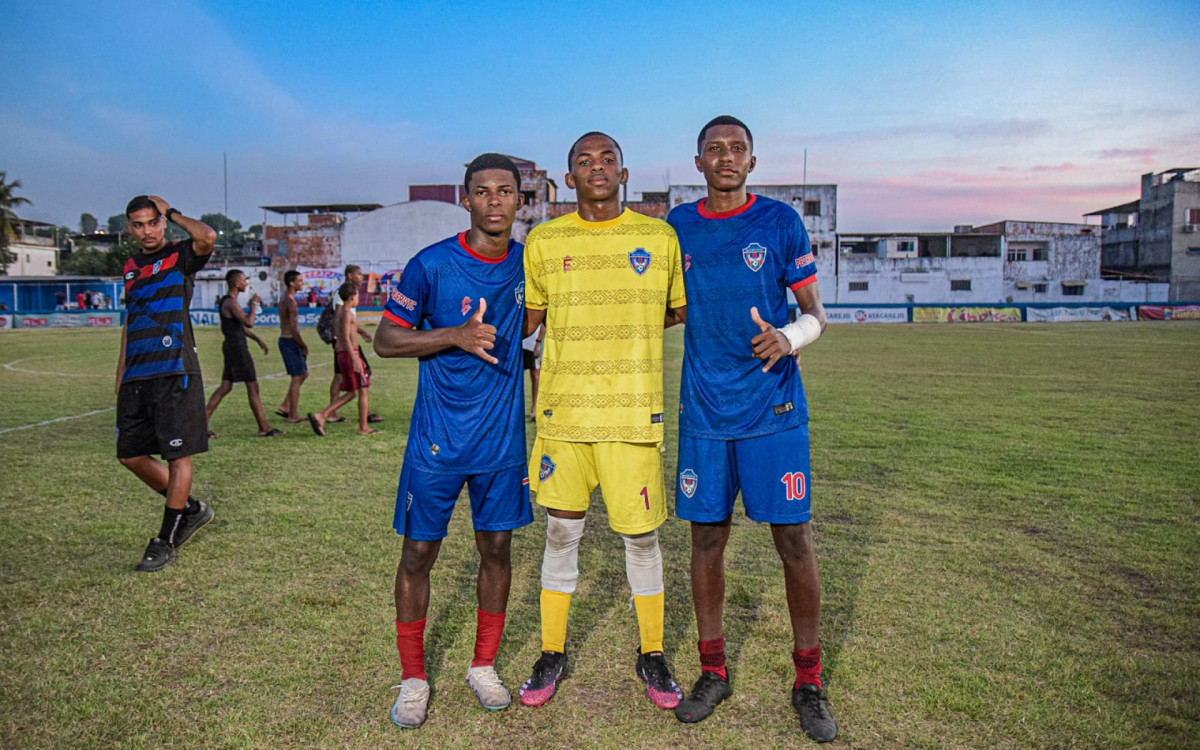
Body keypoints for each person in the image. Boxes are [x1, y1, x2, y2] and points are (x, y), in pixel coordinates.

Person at [666, 116, 837, 742]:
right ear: (699, 160)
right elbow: (661, 307)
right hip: (706, 414)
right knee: (706, 540)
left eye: (737, 148)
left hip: (774, 413)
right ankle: (713, 670)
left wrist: (788, 337)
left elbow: (816, 313)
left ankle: (809, 681)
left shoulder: (781, 222)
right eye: (715, 148)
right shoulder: (676, 229)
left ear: (752, 161)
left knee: (794, 541)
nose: (726, 157)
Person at [518, 132, 688, 711]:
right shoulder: (543, 241)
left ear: (624, 173)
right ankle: (551, 652)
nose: (597, 168)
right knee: (561, 533)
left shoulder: (658, 237)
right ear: (569, 179)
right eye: (584, 162)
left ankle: (653, 653)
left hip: (633, 415)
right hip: (563, 416)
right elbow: (531, 320)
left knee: (642, 539)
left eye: (607, 159)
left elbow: (679, 310)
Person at [374, 154, 532, 729]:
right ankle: (414, 678)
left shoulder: (530, 265)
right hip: (437, 439)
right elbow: (387, 339)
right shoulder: (432, 264)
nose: (494, 201)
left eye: (505, 191)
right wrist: (455, 336)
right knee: (419, 554)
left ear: (521, 200)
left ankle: (482, 665)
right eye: (483, 191)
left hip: (500, 442)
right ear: (467, 199)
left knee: (497, 551)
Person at [115, 195, 217, 572]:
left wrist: (173, 211)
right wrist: (120, 370)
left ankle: (166, 540)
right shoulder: (129, 267)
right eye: (138, 225)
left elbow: (207, 236)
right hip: (137, 375)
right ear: (129, 228)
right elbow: (131, 319)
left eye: (153, 223)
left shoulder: (180, 255)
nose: (146, 231)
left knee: (178, 456)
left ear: (162, 223)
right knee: (130, 454)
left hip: (175, 370)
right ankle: (189, 508)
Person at [204, 270, 282, 438]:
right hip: (237, 349)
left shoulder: (228, 302)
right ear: (235, 284)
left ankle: (201, 426)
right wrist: (254, 304)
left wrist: (257, 340)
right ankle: (264, 428)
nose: (246, 284)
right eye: (243, 281)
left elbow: (239, 327)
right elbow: (249, 322)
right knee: (252, 386)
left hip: (232, 346)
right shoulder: (231, 303)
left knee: (225, 386)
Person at [307, 282, 378, 436]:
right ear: (352, 297)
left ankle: (323, 416)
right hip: (350, 353)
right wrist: (355, 359)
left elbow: (346, 330)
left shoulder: (340, 312)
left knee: (353, 392)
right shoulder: (347, 313)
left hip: (344, 354)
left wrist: (360, 332)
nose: (359, 298)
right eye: (358, 295)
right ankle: (361, 427)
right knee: (363, 390)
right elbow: (345, 337)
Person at [325, 264, 382, 425]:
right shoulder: (342, 296)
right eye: (358, 274)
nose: (361, 277)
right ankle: (331, 413)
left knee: (355, 380)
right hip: (346, 345)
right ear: (349, 275)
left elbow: (347, 322)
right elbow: (338, 318)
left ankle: (359, 413)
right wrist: (341, 340)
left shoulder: (349, 302)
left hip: (347, 343)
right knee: (345, 379)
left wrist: (360, 331)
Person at [275, 270, 309, 423]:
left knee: (303, 374)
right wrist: (302, 345)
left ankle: (285, 405)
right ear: (292, 283)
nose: (302, 284)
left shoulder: (284, 299)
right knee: (297, 378)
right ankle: (293, 415)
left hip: (286, 340)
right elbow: (294, 328)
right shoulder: (291, 302)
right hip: (290, 341)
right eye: (300, 281)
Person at [521, 323, 544, 421]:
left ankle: (535, 409)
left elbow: (543, 323)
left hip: (533, 343)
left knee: (535, 375)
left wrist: (538, 341)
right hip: (519, 342)